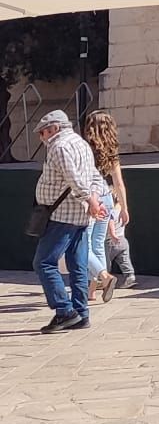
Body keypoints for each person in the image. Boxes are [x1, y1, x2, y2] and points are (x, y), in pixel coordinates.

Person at [30, 109, 108, 332]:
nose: (42, 137)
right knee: (78, 265)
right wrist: (93, 198)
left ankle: (65, 311)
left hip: (62, 215)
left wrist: (90, 200)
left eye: (43, 132)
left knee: (44, 262)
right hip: (80, 215)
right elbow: (95, 176)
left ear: (54, 128)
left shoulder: (60, 146)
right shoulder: (81, 144)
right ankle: (81, 313)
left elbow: (72, 178)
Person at [80, 109, 131, 303]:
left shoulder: (85, 148)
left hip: (91, 199)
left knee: (83, 245)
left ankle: (103, 278)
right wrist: (124, 208)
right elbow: (118, 183)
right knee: (98, 245)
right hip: (107, 198)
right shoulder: (112, 150)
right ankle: (93, 291)